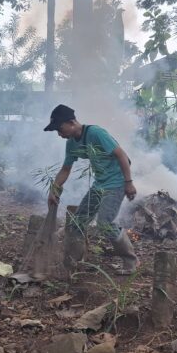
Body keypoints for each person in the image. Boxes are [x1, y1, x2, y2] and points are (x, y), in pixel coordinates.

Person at [44, 104, 138, 274]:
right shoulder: (71, 143)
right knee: (77, 223)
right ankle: (73, 263)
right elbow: (66, 169)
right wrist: (54, 190)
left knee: (105, 223)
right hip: (100, 184)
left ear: (71, 122)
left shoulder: (96, 133)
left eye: (60, 128)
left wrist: (128, 182)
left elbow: (122, 155)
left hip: (116, 182)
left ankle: (130, 262)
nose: (59, 134)